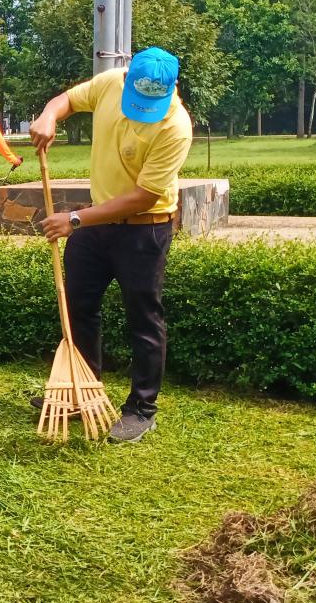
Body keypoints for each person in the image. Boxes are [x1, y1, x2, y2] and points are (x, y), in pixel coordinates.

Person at [29, 47, 193, 443]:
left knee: (144, 317)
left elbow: (144, 197)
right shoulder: (109, 83)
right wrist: (48, 116)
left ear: (170, 91)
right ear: (126, 78)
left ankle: (141, 408)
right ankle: (82, 389)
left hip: (144, 230)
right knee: (79, 306)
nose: (140, 110)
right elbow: (67, 99)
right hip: (95, 223)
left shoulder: (175, 127)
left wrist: (74, 219)